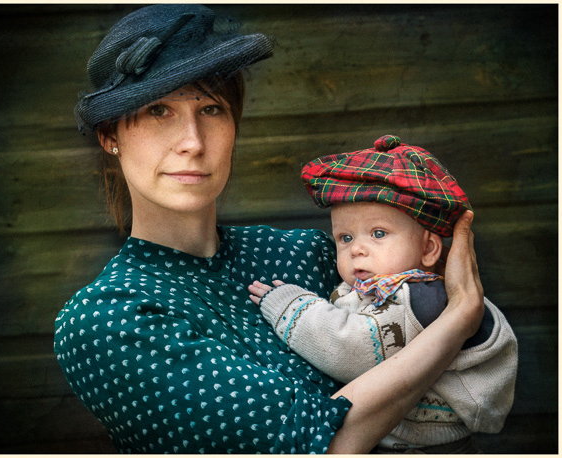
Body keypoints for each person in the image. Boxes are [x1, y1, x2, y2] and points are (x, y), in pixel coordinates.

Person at [54, 5, 486, 454]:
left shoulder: (305, 253)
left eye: (211, 108)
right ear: (110, 136)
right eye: (159, 110)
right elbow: (318, 445)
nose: (193, 142)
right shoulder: (107, 319)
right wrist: (459, 318)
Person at [249, 135, 518, 453]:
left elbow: (352, 349)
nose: (357, 249)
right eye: (345, 238)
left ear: (428, 249)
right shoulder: (378, 287)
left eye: (378, 233)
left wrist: (290, 306)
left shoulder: (420, 298)